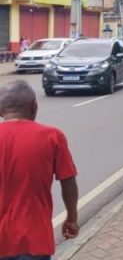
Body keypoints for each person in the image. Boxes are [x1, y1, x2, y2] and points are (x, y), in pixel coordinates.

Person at [0, 80, 79, 260]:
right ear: (34, 106)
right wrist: (72, 218)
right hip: (36, 238)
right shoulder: (52, 137)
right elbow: (68, 181)